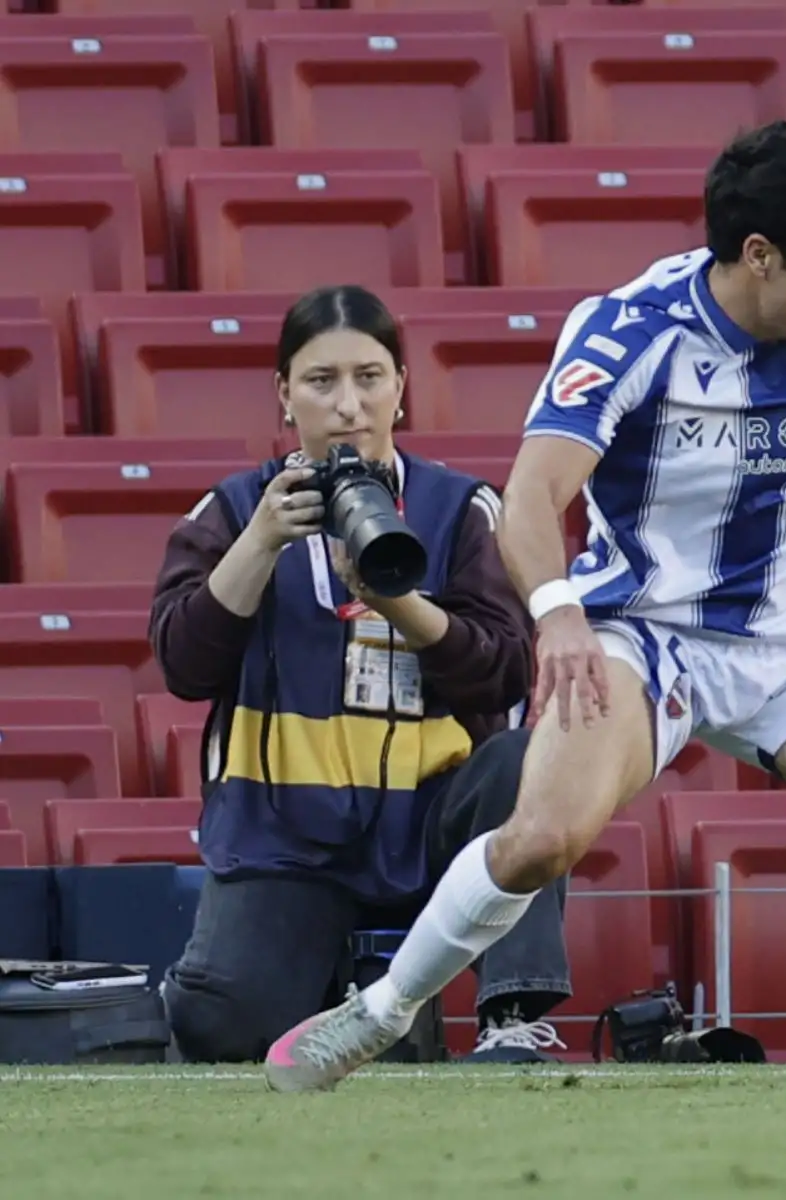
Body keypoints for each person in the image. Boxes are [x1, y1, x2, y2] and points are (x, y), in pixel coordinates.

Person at [263, 121, 786, 1092]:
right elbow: (530, 498)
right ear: (760, 256)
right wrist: (559, 613)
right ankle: (379, 1013)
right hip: (641, 641)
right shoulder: (632, 333)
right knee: (542, 840)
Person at [151, 285, 572, 1065]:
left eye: (370, 377)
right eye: (321, 381)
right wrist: (259, 544)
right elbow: (182, 664)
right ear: (284, 395)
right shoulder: (234, 508)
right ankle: (311, 988)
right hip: (283, 832)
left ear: (401, 387)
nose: (348, 405)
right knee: (220, 1031)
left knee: (525, 761)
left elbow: (507, 672)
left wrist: (400, 604)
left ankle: (513, 1017)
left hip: (436, 820)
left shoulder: (459, 507)